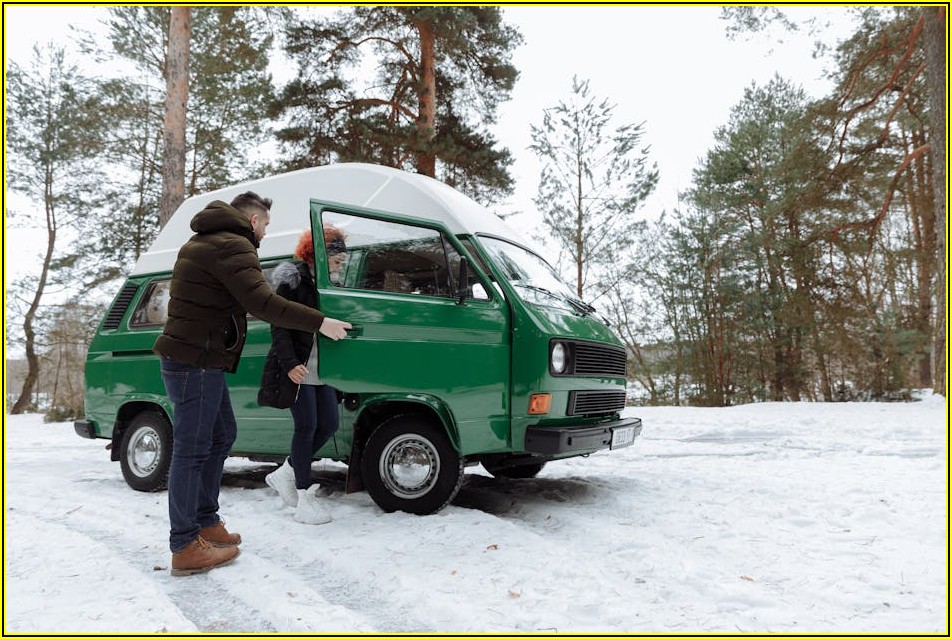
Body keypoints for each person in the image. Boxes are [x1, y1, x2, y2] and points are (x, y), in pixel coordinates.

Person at [153, 191, 352, 577]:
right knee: (192, 450)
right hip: (194, 361)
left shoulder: (207, 241)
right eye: (265, 226)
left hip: (199, 359)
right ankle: (185, 544)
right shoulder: (233, 244)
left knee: (222, 434)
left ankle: (206, 521)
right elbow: (262, 302)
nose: (264, 234)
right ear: (254, 221)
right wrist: (320, 322)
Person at [260, 226, 349, 525]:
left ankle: (286, 471)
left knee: (329, 424)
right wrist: (287, 363)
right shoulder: (293, 278)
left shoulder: (333, 285)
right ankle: (302, 495)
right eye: (337, 256)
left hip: (324, 367)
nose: (341, 261)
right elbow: (278, 323)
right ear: (320, 253)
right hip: (298, 364)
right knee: (307, 425)